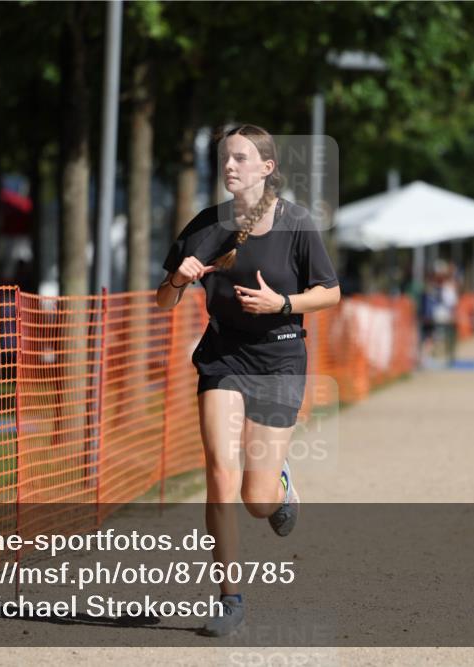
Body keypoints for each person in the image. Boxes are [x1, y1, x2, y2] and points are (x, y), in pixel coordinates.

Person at [155, 124, 341, 636]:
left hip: (279, 359)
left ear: (267, 167)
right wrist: (178, 278)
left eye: (240, 158)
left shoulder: (296, 223)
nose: (230, 166)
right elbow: (162, 301)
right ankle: (229, 598)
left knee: (255, 499)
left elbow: (330, 292)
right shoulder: (204, 226)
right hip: (222, 359)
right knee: (219, 472)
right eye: (225, 158)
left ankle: (278, 489)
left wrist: (282, 304)